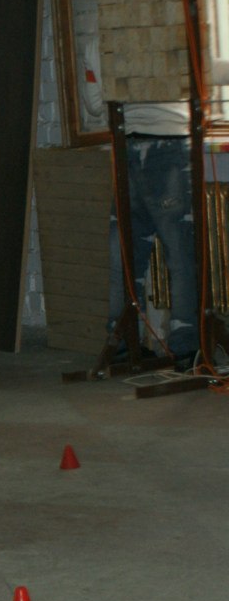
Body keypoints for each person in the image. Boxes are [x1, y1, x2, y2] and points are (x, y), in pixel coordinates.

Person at [81, 41, 199, 368]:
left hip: (127, 146)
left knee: (125, 254)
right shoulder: (173, 30)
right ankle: (186, 346)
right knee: (180, 253)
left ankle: (122, 343)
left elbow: (95, 105)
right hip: (171, 143)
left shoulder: (99, 39)